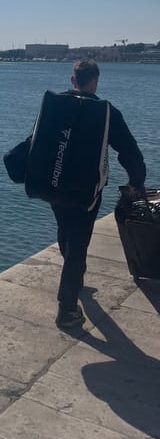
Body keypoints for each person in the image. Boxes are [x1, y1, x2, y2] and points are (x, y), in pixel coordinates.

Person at [39, 60, 145, 329]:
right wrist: (136, 180)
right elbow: (129, 150)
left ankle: (75, 282)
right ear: (95, 81)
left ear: (73, 81)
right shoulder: (106, 112)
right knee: (79, 244)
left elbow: (39, 140)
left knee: (65, 230)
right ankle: (67, 309)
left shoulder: (57, 105)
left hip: (54, 185)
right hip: (86, 191)